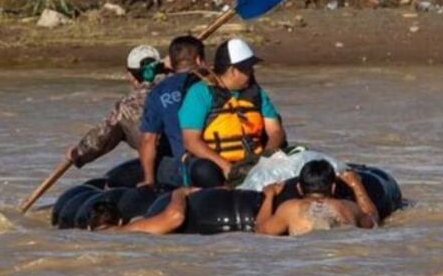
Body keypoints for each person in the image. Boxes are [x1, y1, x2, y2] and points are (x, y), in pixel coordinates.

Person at [178, 38, 286, 188]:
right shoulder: (199, 93)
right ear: (232, 70)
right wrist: (226, 166)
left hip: (253, 161)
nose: (252, 72)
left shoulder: (257, 93)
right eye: (248, 69)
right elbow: (191, 141)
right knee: (203, 170)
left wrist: (265, 160)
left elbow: (275, 131)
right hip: (216, 163)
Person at [66, 45, 164, 169]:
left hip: (160, 164)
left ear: (131, 75)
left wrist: (78, 153)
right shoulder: (181, 85)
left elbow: (101, 138)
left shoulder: (127, 106)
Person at [138, 35, 207, 188]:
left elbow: (148, 140)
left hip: (184, 167)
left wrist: (149, 181)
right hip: (218, 160)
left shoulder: (158, 91)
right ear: (198, 60)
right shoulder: (214, 84)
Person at [255, 161, 379, 236]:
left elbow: (261, 231)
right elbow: (373, 221)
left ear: (299, 188)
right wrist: (356, 185)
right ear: (333, 188)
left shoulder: (289, 209)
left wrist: (269, 195)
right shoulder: (348, 207)